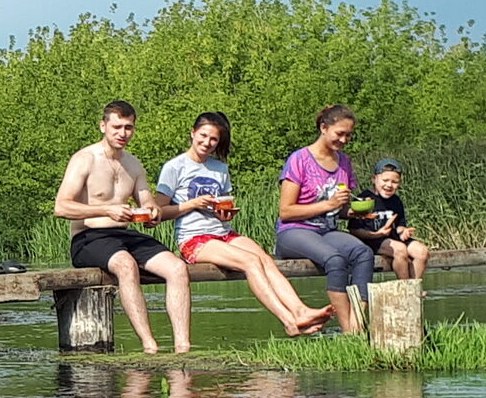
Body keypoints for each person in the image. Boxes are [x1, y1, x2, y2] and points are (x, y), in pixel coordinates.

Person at [154, 112, 332, 336]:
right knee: (250, 261)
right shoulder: (174, 167)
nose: (207, 143)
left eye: (213, 139)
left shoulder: (220, 168)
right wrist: (192, 204)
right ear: (192, 133)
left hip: (223, 232)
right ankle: (288, 321)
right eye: (203, 136)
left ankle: (300, 310)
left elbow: (225, 204)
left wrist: (225, 214)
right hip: (194, 238)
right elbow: (158, 211)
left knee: (265, 259)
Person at [53, 99, 192, 354]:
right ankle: (150, 346)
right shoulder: (84, 159)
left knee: (177, 267)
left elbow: (146, 199)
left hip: (124, 234)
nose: (122, 134)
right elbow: (61, 207)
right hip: (88, 237)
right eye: (117, 127)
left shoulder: (133, 163)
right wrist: (106, 209)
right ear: (103, 126)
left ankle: (183, 346)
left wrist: (152, 211)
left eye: (128, 128)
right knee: (125, 265)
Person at [275, 103, 375, 333]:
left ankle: (358, 325)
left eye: (349, 135)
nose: (344, 140)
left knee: (363, 253)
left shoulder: (344, 163)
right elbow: (286, 211)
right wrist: (328, 204)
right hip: (294, 231)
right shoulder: (299, 159)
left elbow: (338, 210)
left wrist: (353, 212)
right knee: (335, 260)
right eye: (340, 134)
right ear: (324, 128)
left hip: (326, 230)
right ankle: (349, 331)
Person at [350, 158, 430, 281]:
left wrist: (403, 232)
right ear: (374, 179)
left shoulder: (396, 200)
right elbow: (354, 230)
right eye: (385, 180)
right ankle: (404, 287)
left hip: (392, 238)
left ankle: (415, 286)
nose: (389, 185)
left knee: (422, 251)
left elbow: (399, 225)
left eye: (394, 182)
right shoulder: (362, 199)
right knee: (400, 249)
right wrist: (376, 234)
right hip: (370, 240)